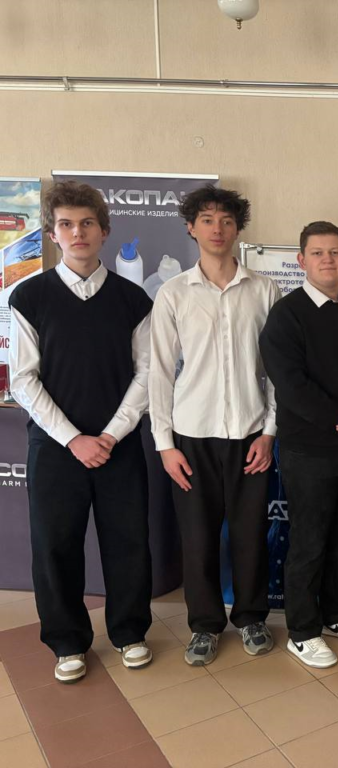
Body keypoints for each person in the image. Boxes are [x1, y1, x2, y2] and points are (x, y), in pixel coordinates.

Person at [9, 181, 153, 682]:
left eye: (87, 223)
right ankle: (67, 642)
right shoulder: (29, 296)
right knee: (55, 546)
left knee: (128, 542)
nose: (78, 233)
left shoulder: (133, 298)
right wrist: (74, 438)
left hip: (120, 446)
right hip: (55, 448)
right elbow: (23, 379)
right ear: (52, 234)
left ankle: (130, 633)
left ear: (104, 231)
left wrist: (109, 435)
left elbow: (148, 374)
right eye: (66, 224)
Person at [149, 185, 280, 666]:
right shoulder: (173, 293)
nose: (217, 229)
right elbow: (160, 372)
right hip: (192, 436)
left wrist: (270, 432)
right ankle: (204, 626)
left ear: (238, 228)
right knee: (198, 539)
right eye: (207, 219)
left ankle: (251, 618)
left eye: (226, 220)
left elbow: (277, 372)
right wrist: (165, 444)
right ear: (191, 227)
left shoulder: (264, 290)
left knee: (250, 536)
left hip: (250, 435)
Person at [259, 221, 338, 668]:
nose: (327, 260)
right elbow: (291, 386)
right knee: (309, 542)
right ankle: (302, 631)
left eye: (335, 252)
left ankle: (335, 614)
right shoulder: (286, 315)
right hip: (309, 450)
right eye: (317, 253)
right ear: (302, 261)